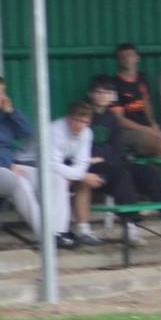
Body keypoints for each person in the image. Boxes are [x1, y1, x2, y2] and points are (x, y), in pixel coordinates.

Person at [0, 75, 72, 251]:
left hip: (6, 167)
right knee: (20, 183)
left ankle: (59, 232)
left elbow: (27, 133)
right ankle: (46, 236)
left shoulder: (3, 115)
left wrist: (11, 112)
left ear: (2, 96)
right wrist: (8, 164)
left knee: (54, 179)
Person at [86, 80, 161, 248]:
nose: (103, 96)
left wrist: (113, 158)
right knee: (122, 175)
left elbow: (117, 149)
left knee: (148, 172)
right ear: (91, 94)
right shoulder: (85, 115)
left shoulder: (112, 118)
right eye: (99, 92)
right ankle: (130, 226)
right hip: (93, 166)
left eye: (107, 93)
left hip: (114, 162)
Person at [102, 42, 161, 158]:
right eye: (123, 56)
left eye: (130, 55)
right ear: (118, 60)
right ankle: (157, 175)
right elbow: (119, 120)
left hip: (147, 128)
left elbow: (146, 102)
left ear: (137, 58)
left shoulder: (142, 78)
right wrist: (145, 129)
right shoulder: (114, 83)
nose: (127, 59)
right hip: (127, 132)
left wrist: (153, 124)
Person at [49, 100, 105, 248]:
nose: (80, 125)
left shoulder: (86, 133)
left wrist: (78, 175)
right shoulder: (55, 130)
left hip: (59, 166)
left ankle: (82, 231)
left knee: (78, 180)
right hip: (29, 165)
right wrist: (79, 175)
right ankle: (58, 232)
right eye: (77, 120)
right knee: (61, 179)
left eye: (84, 121)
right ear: (69, 118)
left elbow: (82, 163)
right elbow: (51, 164)